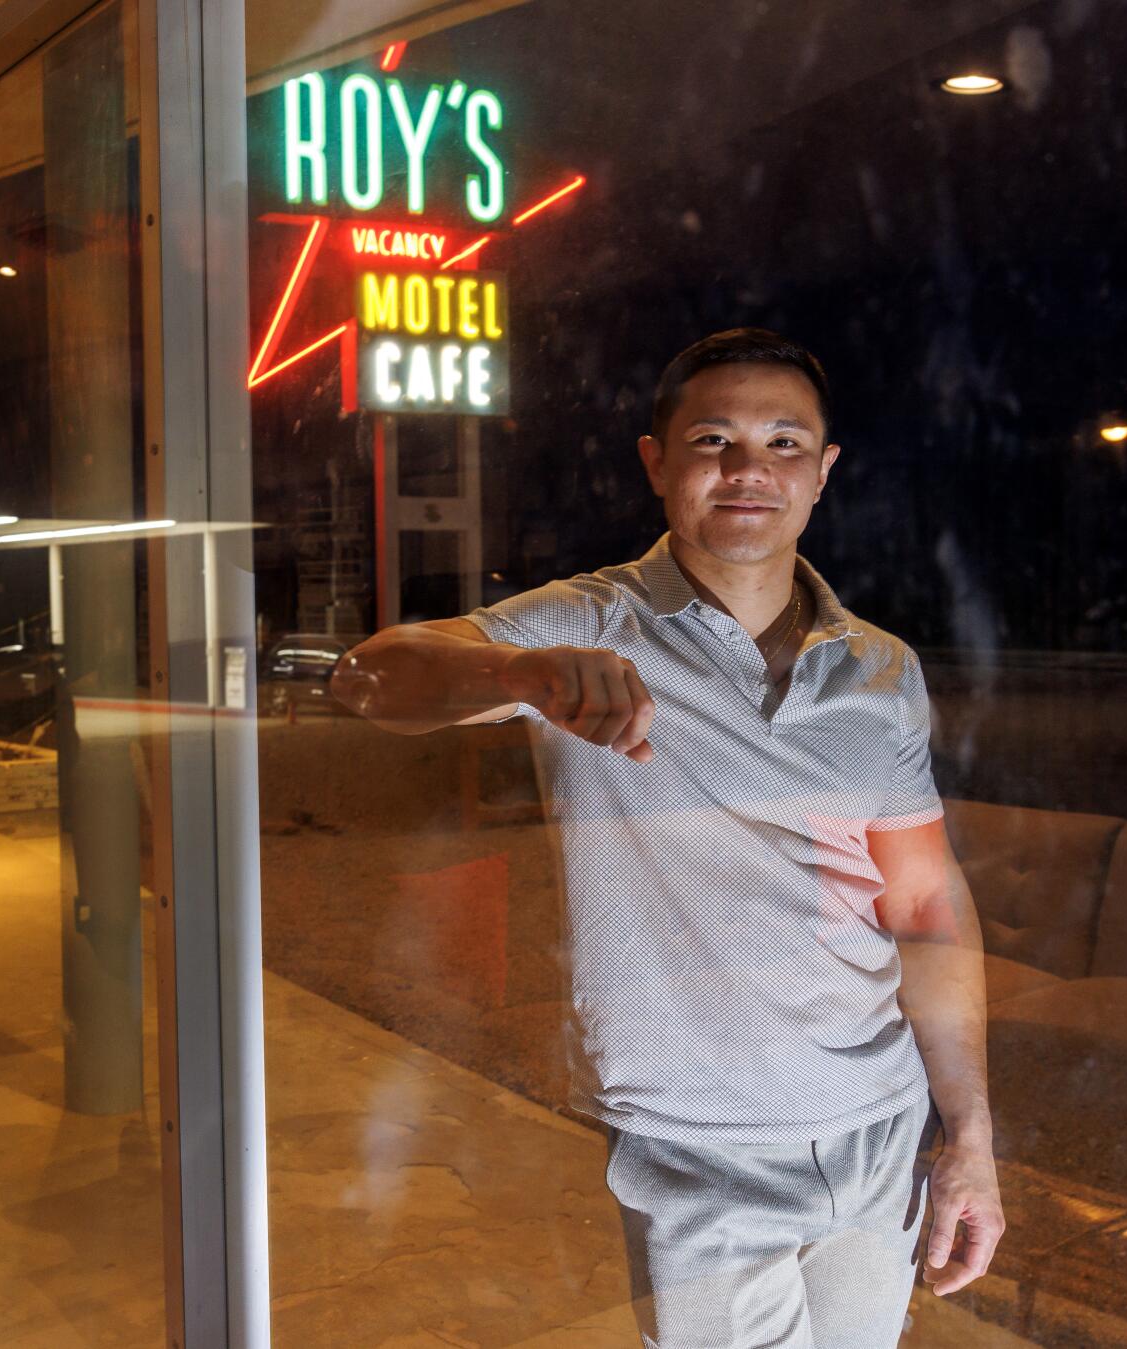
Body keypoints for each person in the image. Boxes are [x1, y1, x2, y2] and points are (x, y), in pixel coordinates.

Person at [331, 328, 1004, 1348]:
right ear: (656, 462)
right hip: (698, 1142)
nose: (747, 469)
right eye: (711, 439)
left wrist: (971, 1139)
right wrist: (521, 675)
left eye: (783, 443)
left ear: (822, 474)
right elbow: (368, 678)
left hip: (878, 1120)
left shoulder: (877, 667)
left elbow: (920, 904)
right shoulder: (593, 621)